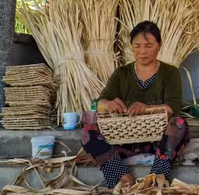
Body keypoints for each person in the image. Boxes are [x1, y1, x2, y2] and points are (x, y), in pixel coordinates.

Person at [81, 21, 189, 189]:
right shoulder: (121, 74)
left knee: (179, 124)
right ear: (131, 46)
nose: (142, 51)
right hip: (124, 141)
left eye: (149, 45)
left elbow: (173, 107)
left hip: (158, 142)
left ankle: (156, 179)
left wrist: (147, 109)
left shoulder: (170, 73)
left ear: (159, 45)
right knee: (88, 132)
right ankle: (123, 177)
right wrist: (108, 104)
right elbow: (100, 103)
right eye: (137, 46)